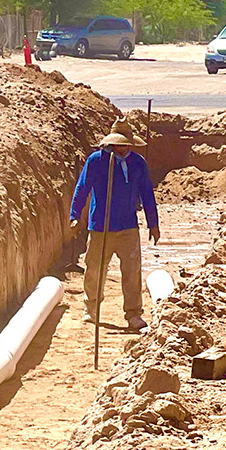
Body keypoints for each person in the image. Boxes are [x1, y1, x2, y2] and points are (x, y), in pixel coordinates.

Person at [69, 121, 160, 331]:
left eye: (127, 144)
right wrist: (75, 215)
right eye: (120, 144)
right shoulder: (97, 161)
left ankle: (133, 314)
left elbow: (147, 193)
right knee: (94, 270)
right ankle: (91, 308)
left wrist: (153, 224)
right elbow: (82, 188)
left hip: (128, 225)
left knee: (131, 271)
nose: (123, 148)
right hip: (100, 226)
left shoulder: (138, 163)